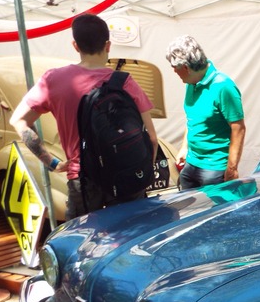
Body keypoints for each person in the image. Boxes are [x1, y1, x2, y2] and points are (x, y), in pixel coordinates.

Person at [10, 13, 159, 221]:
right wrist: (140, 173)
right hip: (126, 175)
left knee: (83, 245)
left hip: (83, 180)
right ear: (108, 45)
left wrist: (51, 162)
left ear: (75, 45)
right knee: (129, 241)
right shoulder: (125, 82)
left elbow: (19, 120)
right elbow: (152, 139)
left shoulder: (53, 80)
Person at [165, 35, 246, 189]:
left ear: (186, 68)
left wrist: (232, 168)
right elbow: (194, 119)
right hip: (192, 163)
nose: (174, 71)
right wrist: (184, 147)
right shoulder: (191, 82)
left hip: (215, 168)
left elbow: (238, 127)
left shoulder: (223, 86)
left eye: (174, 68)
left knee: (216, 212)